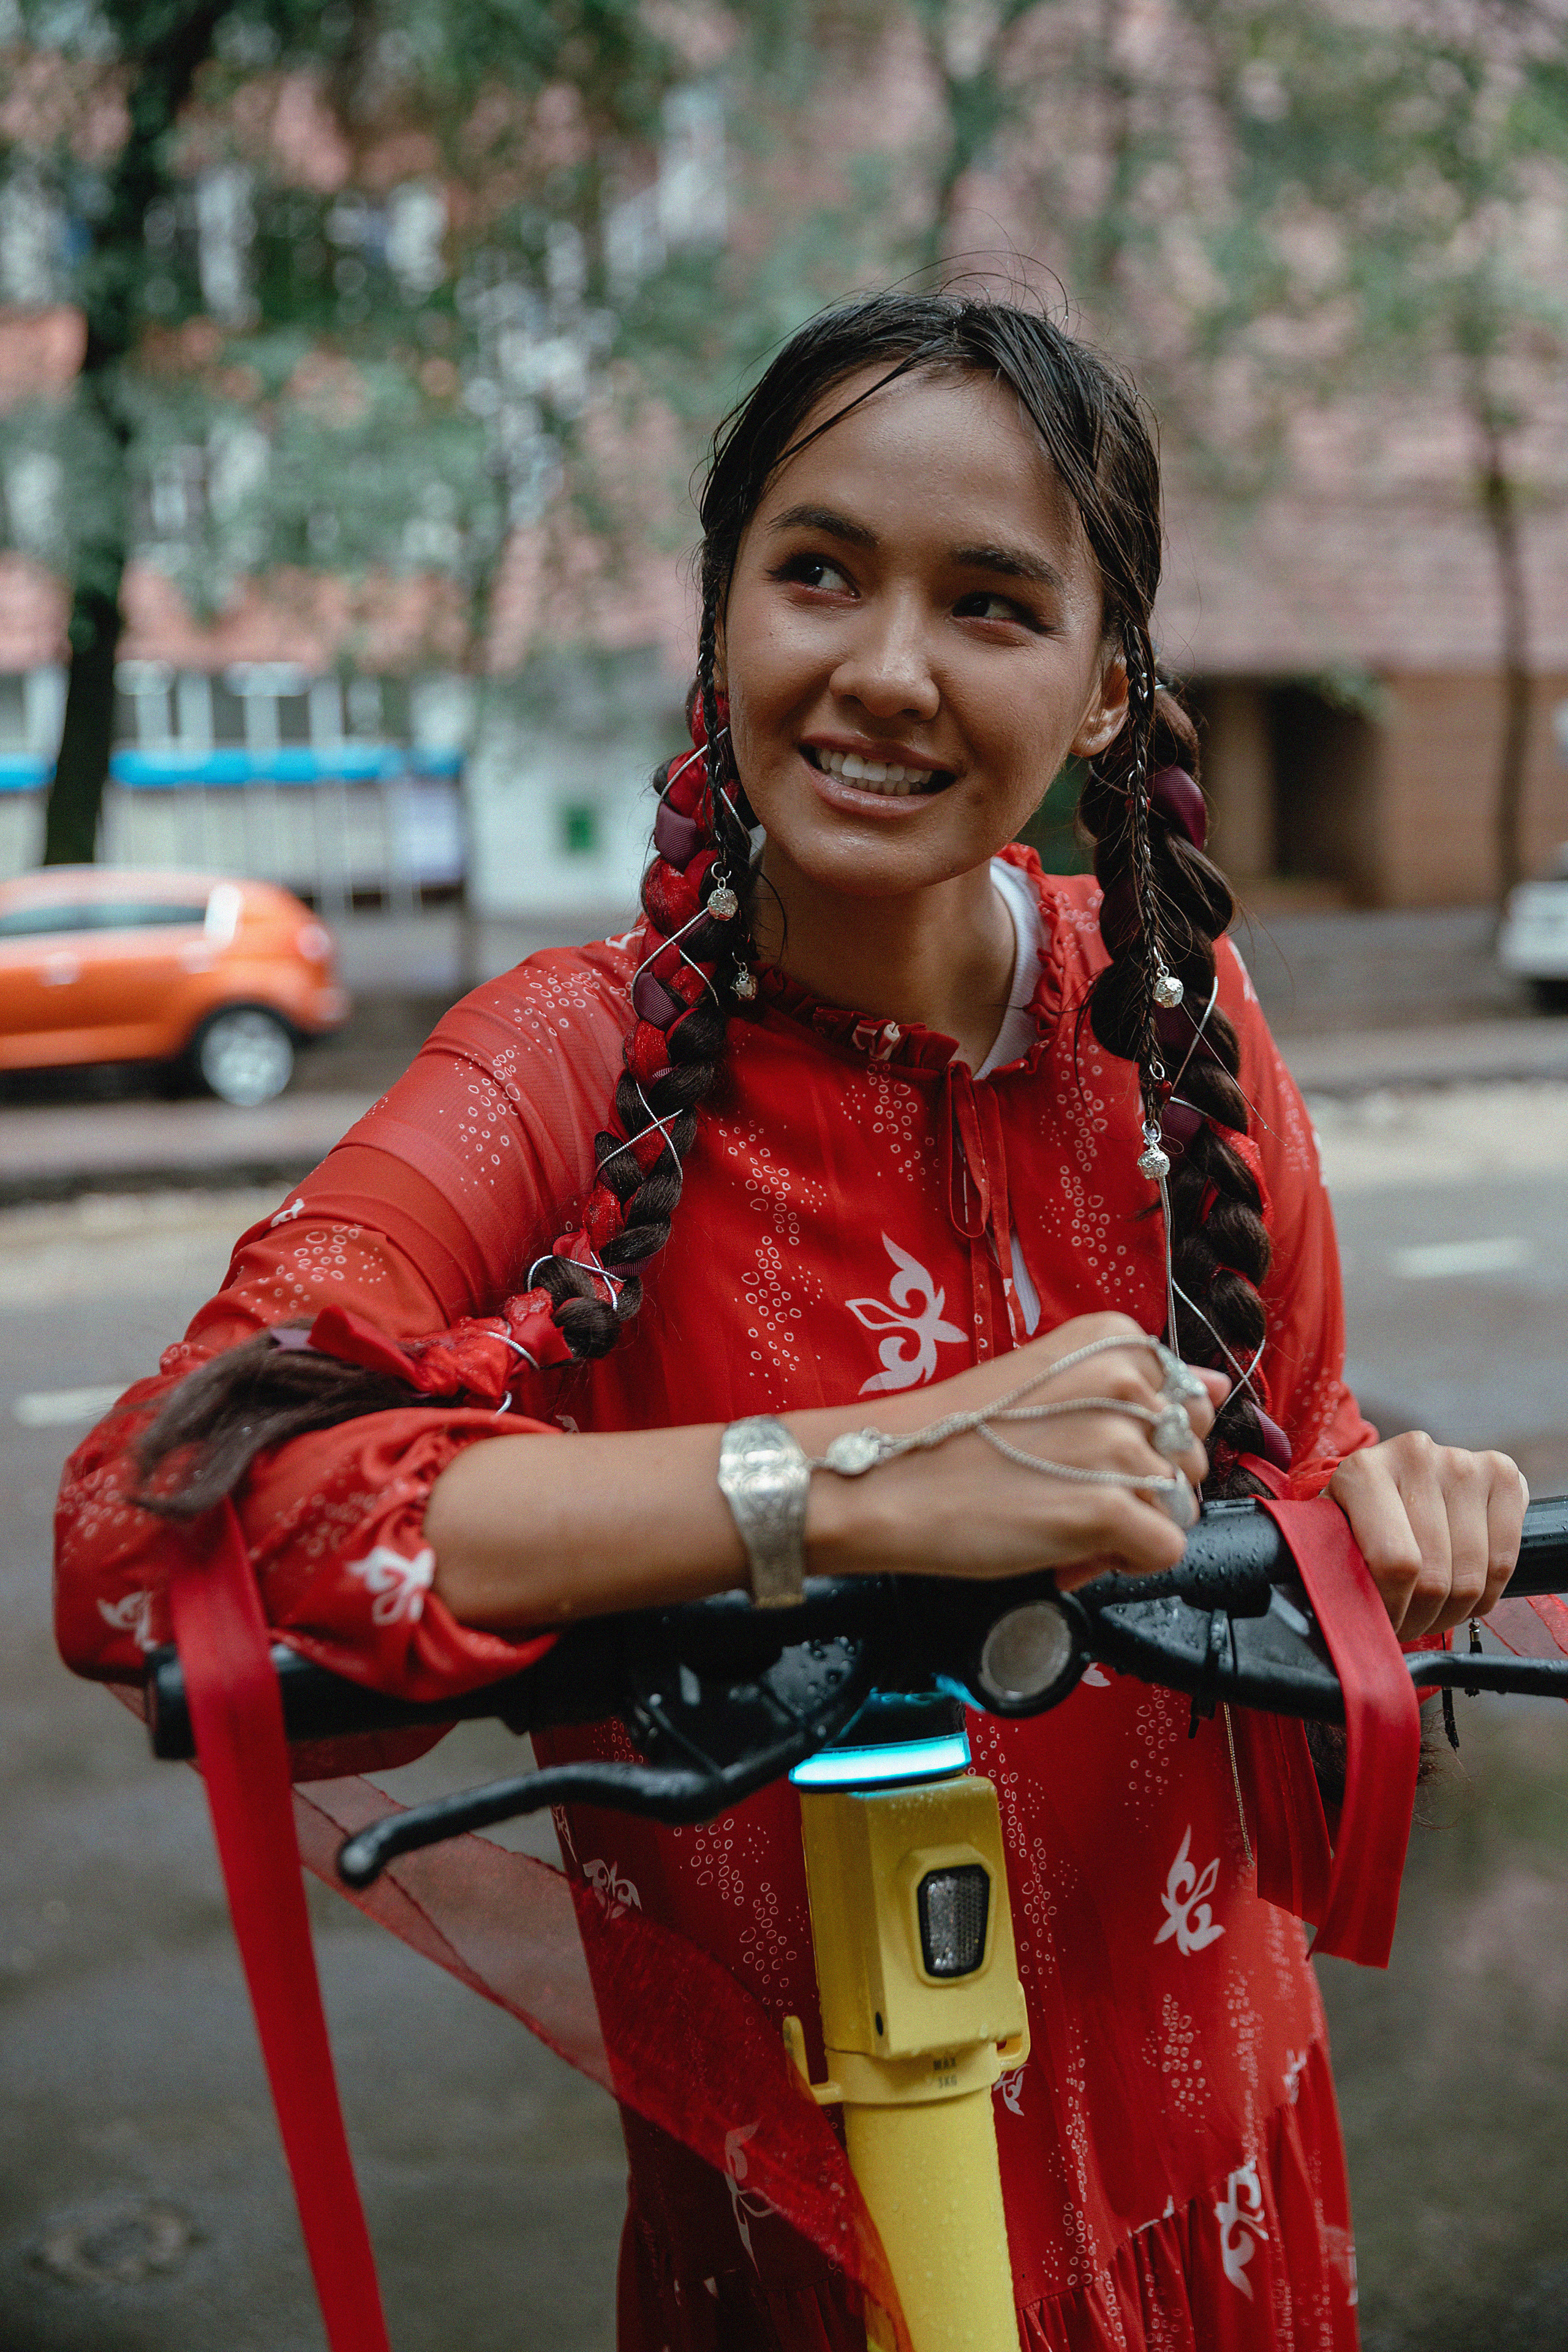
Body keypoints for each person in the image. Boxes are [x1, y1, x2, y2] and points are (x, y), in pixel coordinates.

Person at [56, 293, 1528, 2351]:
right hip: (825, 2260)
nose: (885, 670)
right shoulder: (556, 1071)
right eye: (818, 571)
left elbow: (1288, 1448)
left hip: (1235, 2191)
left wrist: (1397, 1514)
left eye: (995, 605)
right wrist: (845, 1483)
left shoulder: (1180, 1017)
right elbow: (151, 1531)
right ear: (723, 612)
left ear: (1109, 689)